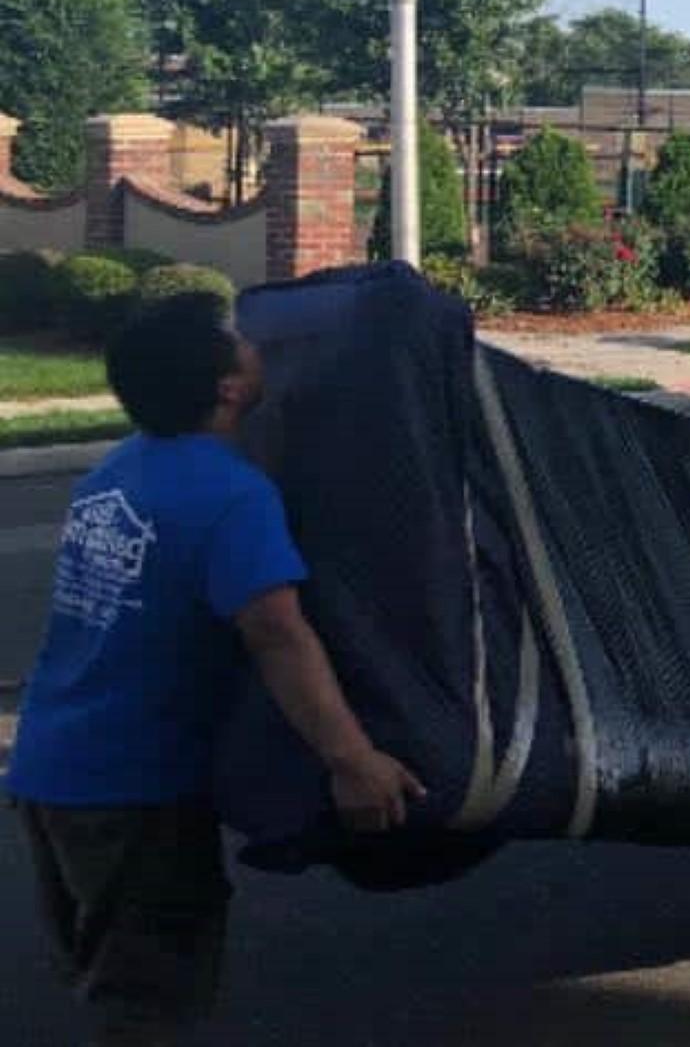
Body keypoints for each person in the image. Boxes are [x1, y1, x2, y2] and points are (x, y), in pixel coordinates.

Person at [7, 292, 422, 1045]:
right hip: (132, 789)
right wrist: (353, 760)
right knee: (148, 1000)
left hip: (51, 767)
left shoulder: (115, 471)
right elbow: (277, 635)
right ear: (228, 387)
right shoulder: (230, 496)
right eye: (237, 340)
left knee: (110, 975)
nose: (254, 343)